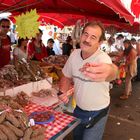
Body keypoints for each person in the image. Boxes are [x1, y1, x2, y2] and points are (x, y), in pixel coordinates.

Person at [58, 21, 118, 140]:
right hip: (79, 109)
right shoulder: (74, 54)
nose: (87, 39)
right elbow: (66, 76)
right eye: (85, 34)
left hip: (97, 113)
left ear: (99, 43)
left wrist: (111, 70)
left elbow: (112, 72)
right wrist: (62, 91)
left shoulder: (103, 58)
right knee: (77, 137)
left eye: (93, 37)